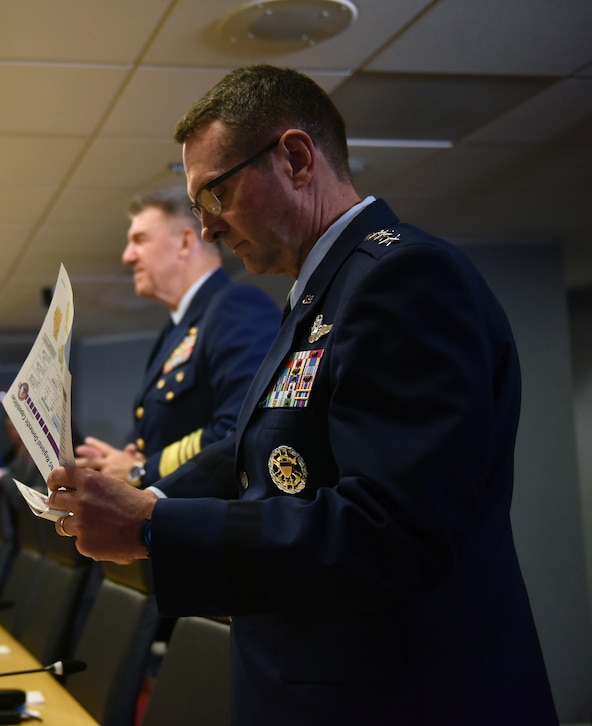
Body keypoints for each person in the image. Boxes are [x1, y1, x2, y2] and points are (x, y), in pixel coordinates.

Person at [45, 65, 556, 724]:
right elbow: (267, 469)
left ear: (293, 158)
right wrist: (146, 497)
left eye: (216, 196)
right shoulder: (318, 298)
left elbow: (388, 532)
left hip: (399, 698)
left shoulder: (403, 279)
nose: (208, 229)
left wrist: (153, 526)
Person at [75, 188, 279, 489]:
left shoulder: (235, 306)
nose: (127, 256)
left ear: (185, 242)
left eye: (140, 240)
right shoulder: (175, 331)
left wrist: (141, 471)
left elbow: (243, 428)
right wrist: (118, 462)